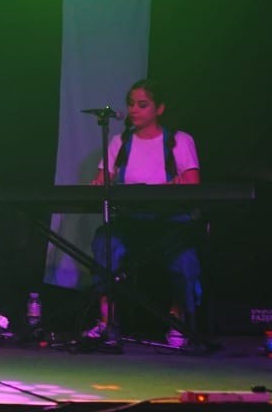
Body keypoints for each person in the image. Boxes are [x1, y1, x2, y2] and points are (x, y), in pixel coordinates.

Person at [84, 79, 201, 348]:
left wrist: (175, 186)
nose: (134, 110)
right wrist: (99, 183)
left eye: (142, 104)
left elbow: (193, 184)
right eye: (130, 104)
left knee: (185, 257)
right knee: (105, 245)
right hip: (129, 222)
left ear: (159, 109)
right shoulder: (119, 142)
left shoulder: (179, 141)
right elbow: (102, 180)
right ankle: (107, 321)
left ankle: (177, 321)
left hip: (169, 223)